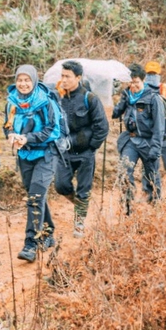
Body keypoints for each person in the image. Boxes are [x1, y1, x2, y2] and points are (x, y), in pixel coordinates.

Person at [4, 65, 62, 262]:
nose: (23, 84)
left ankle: (31, 244)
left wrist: (28, 138)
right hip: (25, 155)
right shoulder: (11, 101)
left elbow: (52, 131)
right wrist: (11, 136)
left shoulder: (45, 101)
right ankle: (48, 233)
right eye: (20, 80)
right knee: (35, 195)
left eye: (27, 80)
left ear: (34, 80)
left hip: (47, 153)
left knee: (35, 197)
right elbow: (8, 125)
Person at [54, 61, 109, 238]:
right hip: (65, 153)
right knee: (61, 185)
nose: (63, 80)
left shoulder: (90, 98)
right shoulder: (58, 98)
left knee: (84, 190)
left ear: (78, 78)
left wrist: (91, 147)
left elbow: (102, 127)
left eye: (67, 76)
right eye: (62, 76)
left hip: (85, 153)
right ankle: (78, 205)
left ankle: (79, 223)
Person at [112, 64, 164, 214]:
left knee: (152, 176)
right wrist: (119, 102)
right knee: (124, 171)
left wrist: (155, 148)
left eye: (136, 82)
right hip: (131, 140)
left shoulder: (153, 98)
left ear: (143, 80)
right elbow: (115, 114)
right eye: (130, 82)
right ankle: (128, 207)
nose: (133, 85)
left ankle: (155, 206)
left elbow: (159, 127)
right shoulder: (127, 95)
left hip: (148, 142)